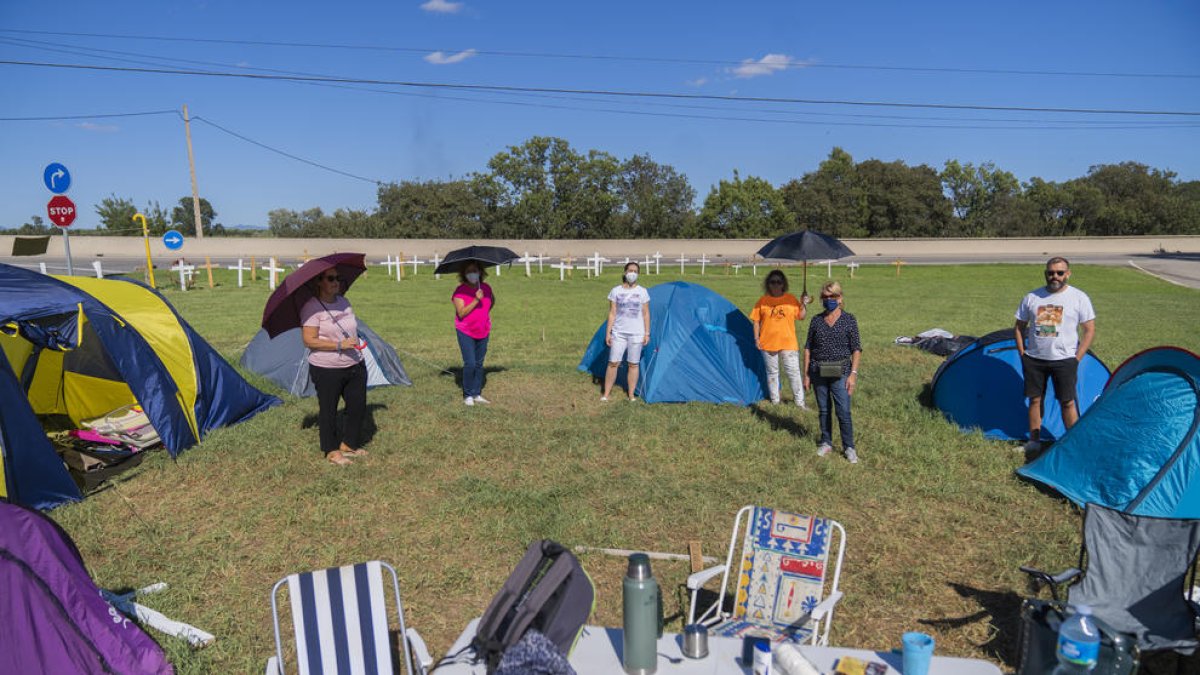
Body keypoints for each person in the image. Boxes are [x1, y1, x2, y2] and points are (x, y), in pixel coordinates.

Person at [1014, 257, 1096, 451]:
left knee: (1067, 402)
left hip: (1065, 360)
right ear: (1045, 274)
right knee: (1035, 399)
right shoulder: (1032, 297)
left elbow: (1089, 330)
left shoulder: (1079, 297)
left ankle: (1073, 444)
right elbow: (1018, 327)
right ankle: (1034, 442)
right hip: (1034, 359)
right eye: (1051, 273)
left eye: (1060, 273)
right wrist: (1023, 354)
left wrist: (1076, 358)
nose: (1055, 276)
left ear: (1068, 274)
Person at [300, 269, 368, 466]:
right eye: (330, 278)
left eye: (338, 278)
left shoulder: (344, 302)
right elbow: (308, 340)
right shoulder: (311, 307)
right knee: (328, 409)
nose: (336, 282)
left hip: (354, 362)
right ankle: (331, 450)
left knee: (357, 405)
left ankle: (348, 444)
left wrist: (352, 343)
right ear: (319, 281)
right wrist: (338, 345)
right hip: (326, 368)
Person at [803, 281, 862, 464]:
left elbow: (856, 349)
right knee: (824, 409)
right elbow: (807, 348)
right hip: (818, 371)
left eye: (833, 296)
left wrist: (853, 374)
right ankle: (826, 441)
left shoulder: (849, 320)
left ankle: (849, 446)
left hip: (842, 371)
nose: (829, 300)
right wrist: (806, 374)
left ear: (840, 298)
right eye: (825, 297)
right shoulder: (816, 320)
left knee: (843, 410)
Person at [751, 269, 807, 408]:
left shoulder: (790, 299)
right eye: (772, 282)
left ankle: (800, 403)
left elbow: (801, 316)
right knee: (772, 373)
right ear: (768, 284)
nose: (775, 285)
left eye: (779, 282)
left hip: (788, 343)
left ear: (783, 284)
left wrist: (803, 304)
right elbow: (756, 321)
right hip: (768, 343)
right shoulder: (762, 301)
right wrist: (756, 339)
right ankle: (775, 401)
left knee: (793, 372)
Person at [602, 261, 651, 402]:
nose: (632, 274)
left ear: (638, 274)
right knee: (613, 363)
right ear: (625, 272)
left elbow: (646, 313)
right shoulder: (616, 291)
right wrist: (608, 333)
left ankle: (631, 395)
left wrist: (647, 333)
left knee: (633, 364)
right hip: (619, 333)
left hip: (637, 333)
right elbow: (612, 313)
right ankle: (606, 394)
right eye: (630, 270)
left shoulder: (642, 292)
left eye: (635, 271)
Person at [452, 261, 495, 406]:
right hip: (465, 331)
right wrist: (476, 299)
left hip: (483, 330)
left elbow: (491, 303)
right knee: (470, 363)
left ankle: (477, 393)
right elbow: (462, 313)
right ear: (464, 274)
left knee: (479, 363)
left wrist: (483, 316)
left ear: (480, 272)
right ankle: (468, 394)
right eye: (469, 271)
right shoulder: (460, 291)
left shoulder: (486, 288)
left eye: (475, 270)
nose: (472, 274)